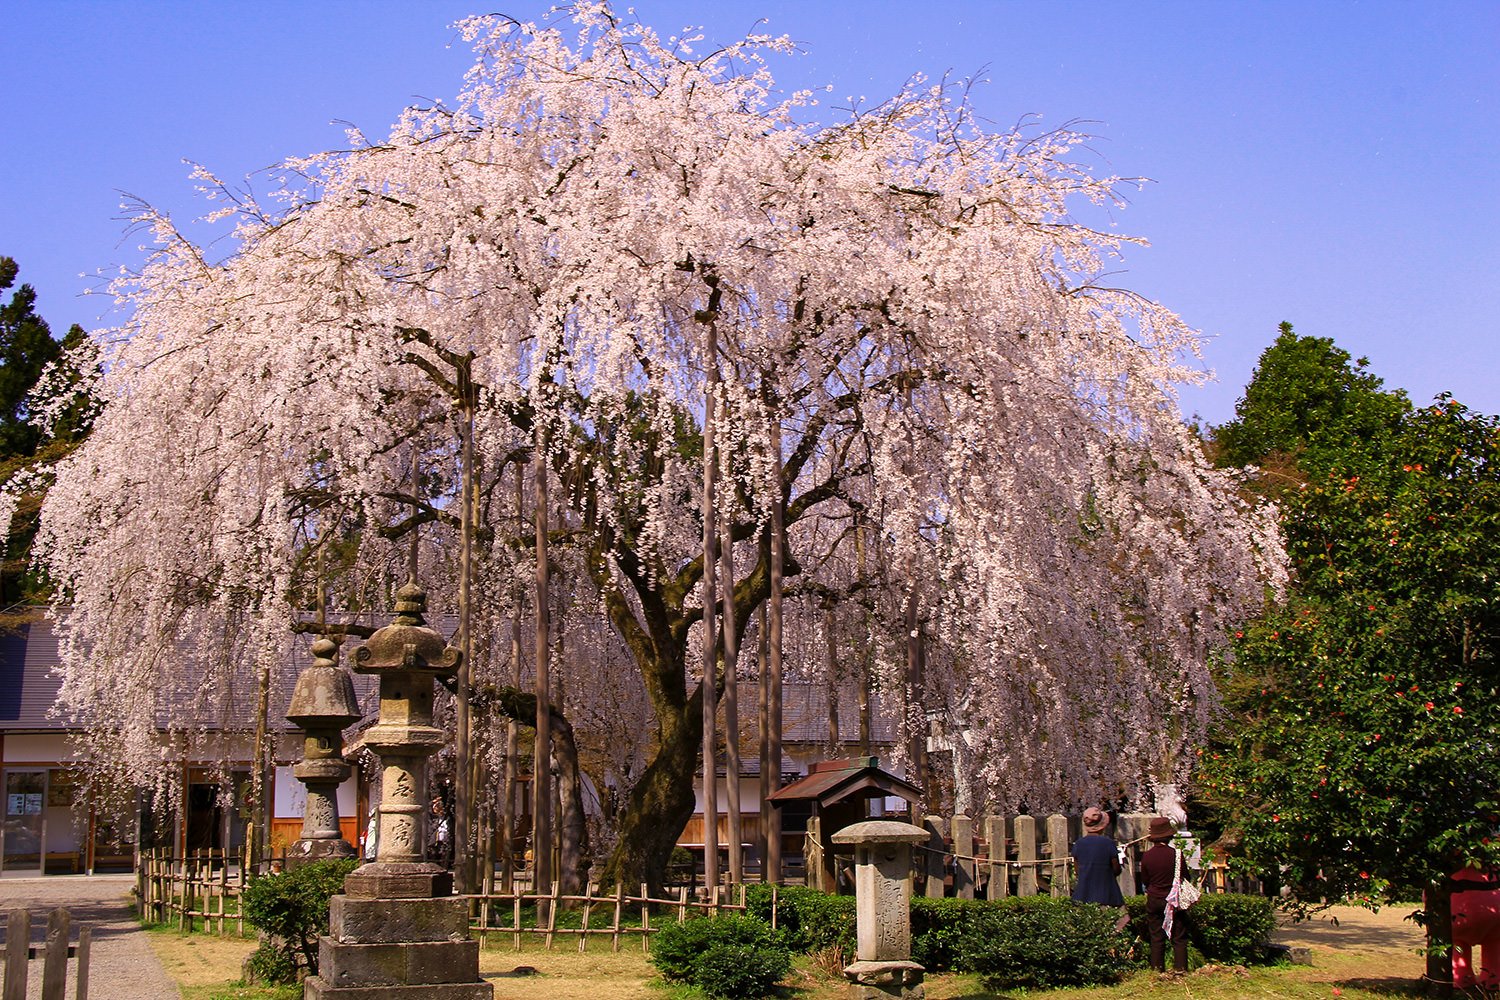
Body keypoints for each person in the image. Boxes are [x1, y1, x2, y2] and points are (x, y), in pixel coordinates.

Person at [1140, 816, 1191, 974]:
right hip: (1173, 900)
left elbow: (1145, 880)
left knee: (1156, 937)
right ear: (1169, 836)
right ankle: (1180, 969)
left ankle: (1157, 970)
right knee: (1178, 936)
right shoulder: (1176, 855)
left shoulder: (1147, 856)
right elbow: (1185, 877)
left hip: (1154, 899)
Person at [1071, 806, 1127, 930]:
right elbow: (1116, 869)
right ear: (1102, 825)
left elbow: (1077, 871)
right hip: (1108, 893)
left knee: (1087, 929)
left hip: (1083, 893)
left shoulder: (1078, 844)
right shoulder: (1108, 843)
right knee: (1113, 928)